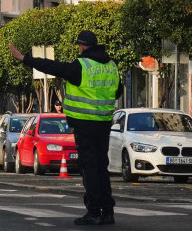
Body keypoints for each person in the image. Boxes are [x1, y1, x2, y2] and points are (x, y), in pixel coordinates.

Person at [10, 30, 122, 226]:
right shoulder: (111, 65)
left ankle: (94, 211)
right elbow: (118, 90)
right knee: (101, 167)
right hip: (104, 123)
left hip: (85, 124)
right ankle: (108, 212)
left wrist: (24, 59)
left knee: (89, 168)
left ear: (82, 46)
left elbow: (53, 67)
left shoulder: (81, 65)